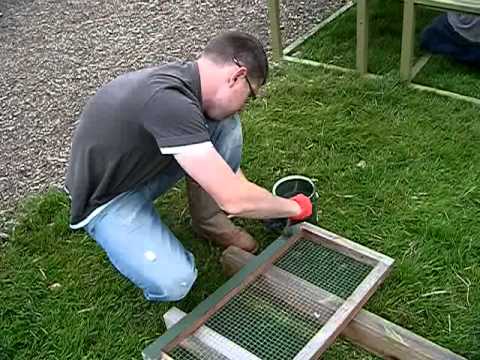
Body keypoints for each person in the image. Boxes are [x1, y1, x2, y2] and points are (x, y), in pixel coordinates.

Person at [65, 31, 312, 302]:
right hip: (106, 198)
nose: (244, 107)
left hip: (140, 165)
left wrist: (247, 194)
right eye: (249, 95)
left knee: (223, 123)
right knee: (176, 282)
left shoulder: (188, 83)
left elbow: (232, 184)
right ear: (237, 76)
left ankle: (208, 221)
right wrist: (296, 207)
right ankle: (135, 235)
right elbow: (234, 199)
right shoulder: (169, 100)